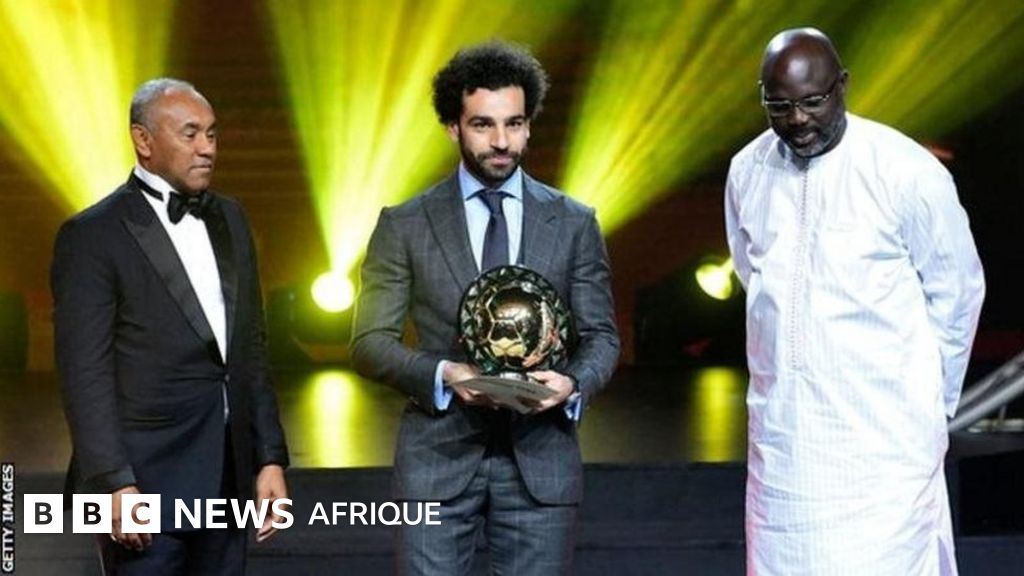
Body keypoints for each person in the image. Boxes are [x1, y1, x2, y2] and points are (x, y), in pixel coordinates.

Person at [351, 41, 620, 575]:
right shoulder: (405, 224)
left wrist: (572, 384)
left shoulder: (573, 222)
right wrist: (445, 375)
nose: (501, 141)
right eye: (482, 125)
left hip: (541, 464)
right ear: (453, 127)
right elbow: (369, 343)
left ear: (528, 125)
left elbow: (602, 337)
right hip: (436, 460)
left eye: (514, 124)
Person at [725, 28, 986, 575]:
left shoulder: (904, 170)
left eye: (812, 102)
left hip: (886, 441)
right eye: (779, 106)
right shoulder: (748, 170)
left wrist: (929, 405)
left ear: (842, 85)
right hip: (785, 438)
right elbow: (756, 277)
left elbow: (957, 291)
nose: (798, 120)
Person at [52, 78, 289, 575]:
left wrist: (269, 457)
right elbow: (84, 375)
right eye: (190, 134)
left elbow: (250, 348)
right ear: (143, 140)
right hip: (144, 484)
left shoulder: (231, 217)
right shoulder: (92, 235)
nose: (207, 148)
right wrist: (114, 483)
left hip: (227, 479)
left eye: (212, 134)